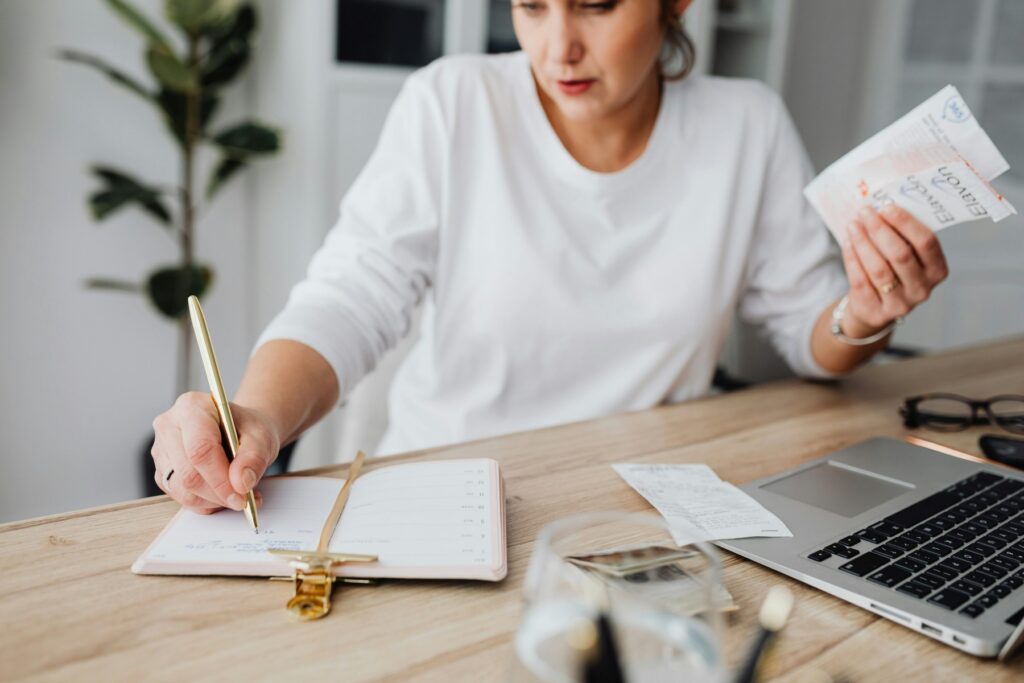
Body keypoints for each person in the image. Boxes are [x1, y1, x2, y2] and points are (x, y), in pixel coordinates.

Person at [150, 0, 948, 514]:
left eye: (596, 5)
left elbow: (813, 330)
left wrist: (861, 314)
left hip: (645, 512)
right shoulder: (453, 102)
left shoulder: (747, 127)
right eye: (530, 5)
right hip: (448, 503)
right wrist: (253, 414)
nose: (557, 45)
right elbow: (352, 294)